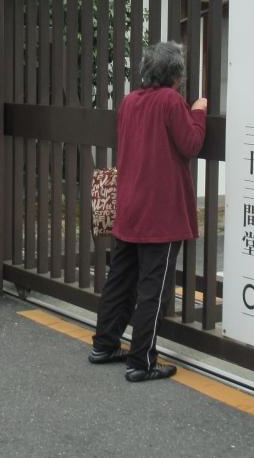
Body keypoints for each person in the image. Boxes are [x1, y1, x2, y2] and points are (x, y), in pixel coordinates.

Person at [89, 41, 208, 382]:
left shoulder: (130, 102)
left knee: (120, 281)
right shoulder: (170, 101)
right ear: (176, 75)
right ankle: (141, 361)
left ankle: (105, 344)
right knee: (153, 290)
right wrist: (198, 112)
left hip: (130, 207)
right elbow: (191, 144)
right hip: (162, 213)